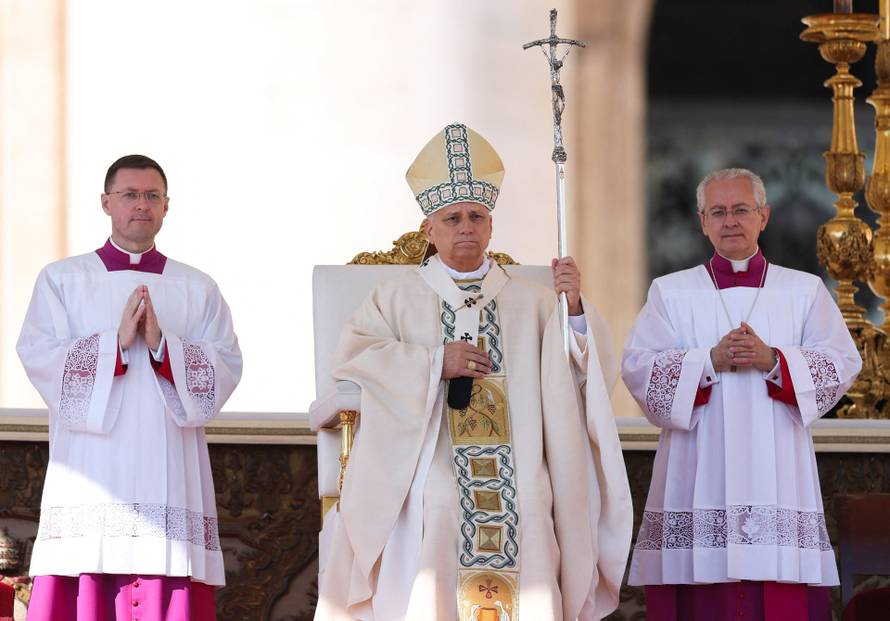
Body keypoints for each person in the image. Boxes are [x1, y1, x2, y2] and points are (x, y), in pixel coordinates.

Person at [314, 122, 632, 621]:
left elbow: (582, 373)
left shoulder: (533, 301)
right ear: (429, 230)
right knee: (439, 500)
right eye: (453, 217)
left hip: (522, 456)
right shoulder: (395, 298)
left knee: (529, 497)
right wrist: (435, 362)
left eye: (476, 217)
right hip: (428, 453)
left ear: (490, 227)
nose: (466, 227)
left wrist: (573, 307)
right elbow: (354, 357)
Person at [621, 168, 862, 621]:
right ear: (702, 221)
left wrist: (774, 360)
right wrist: (708, 361)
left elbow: (843, 361)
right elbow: (637, 368)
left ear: (764, 216)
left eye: (740, 210)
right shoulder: (671, 293)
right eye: (718, 212)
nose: (730, 221)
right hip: (698, 465)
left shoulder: (803, 291)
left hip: (779, 468)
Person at [17, 154, 242, 620]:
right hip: (89, 470)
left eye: (152, 196)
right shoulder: (62, 280)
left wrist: (163, 346)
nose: (142, 205)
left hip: (170, 467)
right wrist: (113, 345)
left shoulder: (197, 288)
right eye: (130, 195)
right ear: (106, 203)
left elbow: (224, 367)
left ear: (166, 206)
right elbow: (38, 356)